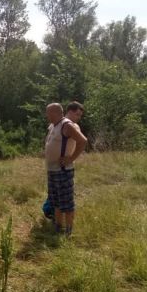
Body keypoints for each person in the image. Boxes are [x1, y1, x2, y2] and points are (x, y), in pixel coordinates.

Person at [44, 101, 87, 236]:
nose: (46, 115)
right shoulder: (52, 126)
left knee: (66, 202)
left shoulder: (67, 125)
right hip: (52, 170)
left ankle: (68, 231)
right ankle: (58, 227)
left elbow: (83, 141)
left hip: (63, 171)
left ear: (56, 112)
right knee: (55, 201)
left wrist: (71, 158)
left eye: (48, 112)